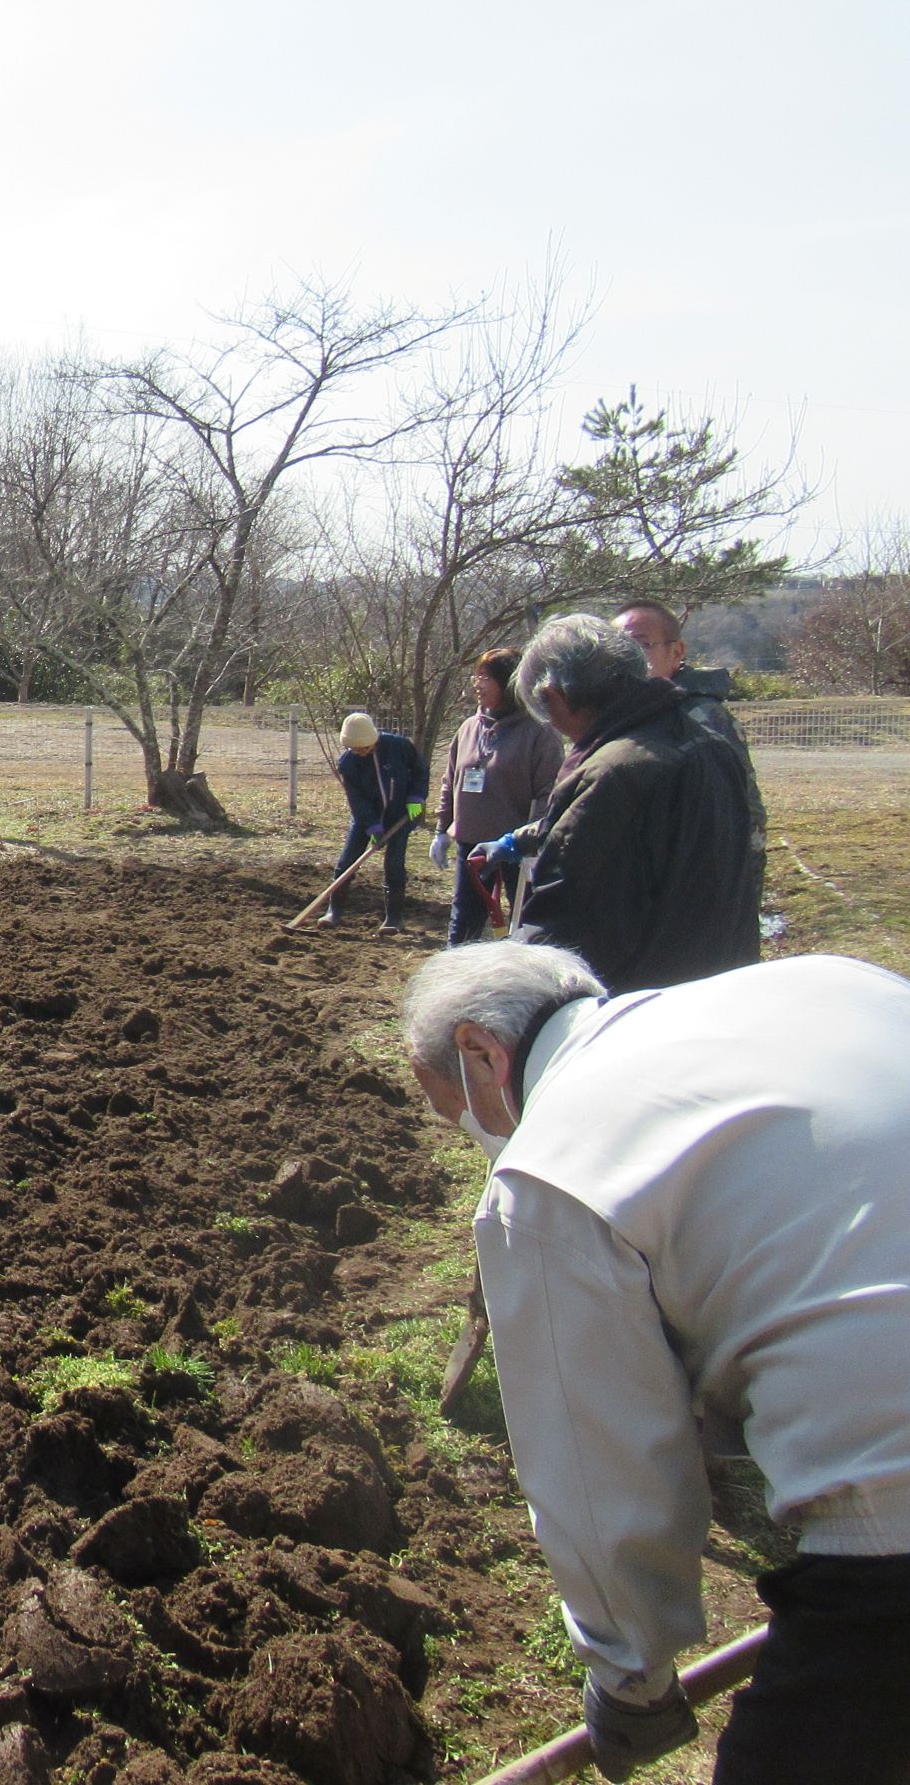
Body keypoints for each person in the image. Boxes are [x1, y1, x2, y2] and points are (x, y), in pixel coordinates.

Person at [400, 940, 910, 1784]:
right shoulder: (831, 982)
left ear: (482, 1053)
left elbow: (604, 1475)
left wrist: (630, 1680)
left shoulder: (550, 1168)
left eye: (453, 1111)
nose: (473, 1137)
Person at [470, 614, 756, 992]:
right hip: (721, 978)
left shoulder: (613, 773)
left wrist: (515, 974)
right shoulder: (707, 743)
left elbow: (569, 916)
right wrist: (522, 840)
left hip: (645, 1001)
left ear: (556, 695)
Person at [615, 597, 769, 920]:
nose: (627, 658)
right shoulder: (620, 715)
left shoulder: (703, 718)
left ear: (677, 652)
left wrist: (739, 899)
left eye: (642, 646)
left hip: (701, 898)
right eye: (617, 649)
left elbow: (744, 813)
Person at [431, 649, 564, 946]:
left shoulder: (538, 732)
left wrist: (532, 839)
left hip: (516, 846)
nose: (477, 684)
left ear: (509, 682)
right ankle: (456, 971)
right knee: (464, 919)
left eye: (486, 677)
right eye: (475, 676)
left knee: (526, 921)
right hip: (472, 843)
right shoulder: (469, 728)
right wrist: (442, 828)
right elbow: (450, 780)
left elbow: (550, 792)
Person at [328, 711, 429, 933]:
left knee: (394, 865)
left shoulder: (399, 747)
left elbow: (420, 772)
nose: (361, 752)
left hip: (400, 816)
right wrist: (372, 825)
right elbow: (357, 799)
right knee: (346, 863)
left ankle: (394, 918)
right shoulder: (348, 763)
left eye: (364, 748)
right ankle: (334, 911)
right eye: (355, 749)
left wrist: (416, 798)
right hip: (365, 819)